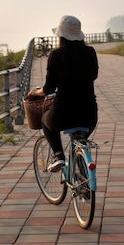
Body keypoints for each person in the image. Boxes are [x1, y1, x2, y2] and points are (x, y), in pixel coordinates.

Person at [29, 15, 98, 172]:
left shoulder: (56, 55)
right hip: (89, 114)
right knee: (81, 138)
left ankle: (59, 156)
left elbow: (48, 89)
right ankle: (82, 169)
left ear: (61, 35)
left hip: (63, 113)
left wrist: (35, 92)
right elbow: (93, 76)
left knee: (45, 121)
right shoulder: (90, 52)